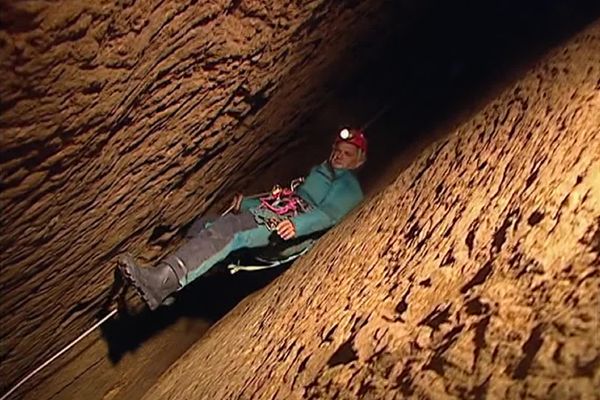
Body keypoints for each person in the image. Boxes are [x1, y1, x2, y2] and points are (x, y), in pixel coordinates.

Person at [118, 128, 368, 310]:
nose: (338, 155)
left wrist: (297, 226)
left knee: (231, 229)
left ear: (359, 161)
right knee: (204, 224)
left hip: (290, 234)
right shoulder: (319, 171)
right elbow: (286, 200)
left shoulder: (349, 185)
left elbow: (328, 214)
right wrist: (245, 203)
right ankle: (175, 283)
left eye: (347, 153)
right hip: (279, 215)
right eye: (337, 150)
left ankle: (162, 282)